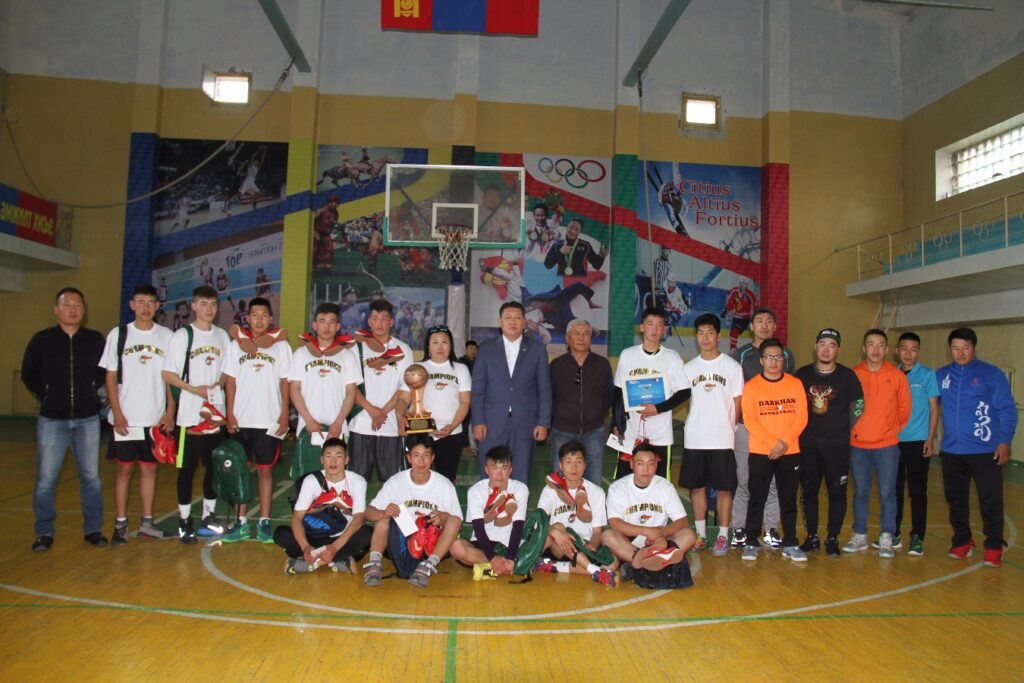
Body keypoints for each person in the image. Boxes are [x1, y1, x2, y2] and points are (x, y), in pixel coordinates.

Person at [22, 287, 108, 551]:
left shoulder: (95, 339)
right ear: (56, 309)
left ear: (84, 309)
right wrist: (48, 394)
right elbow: (28, 373)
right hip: (52, 421)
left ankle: (93, 529)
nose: (73, 309)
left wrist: (91, 393)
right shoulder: (42, 340)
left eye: (78, 305)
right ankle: (44, 532)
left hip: (88, 419)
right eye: (67, 304)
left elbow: (104, 372)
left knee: (91, 478)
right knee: (46, 479)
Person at [99, 284, 176, 545]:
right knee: (123, 470)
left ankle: (147, 523)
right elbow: (110, 377)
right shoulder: (119, 334)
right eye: (140, 302)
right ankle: (120, 524)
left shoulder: (167, 336)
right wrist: (117, 413)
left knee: (150, 469)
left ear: (157, 306)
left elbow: (170, 378)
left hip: (154, 419)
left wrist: (170, 411)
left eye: (150, 302)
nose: (146, 307)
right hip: (126, 418)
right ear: (132, 305)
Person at [936, 327, 1017, 568]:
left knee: (990, 501)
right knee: (956, 500)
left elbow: (1007, 409)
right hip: (951, 452)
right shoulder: (942, 375)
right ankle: (962, 541)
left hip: (985, 451)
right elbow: (926, 405)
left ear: (974, 348)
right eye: (955, 348)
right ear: (950, 349)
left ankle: (993, 546)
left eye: (965, 348)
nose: (960, 353)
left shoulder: (991, 374)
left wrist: (1004, 441)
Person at [161, 285, 232, 543]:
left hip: (216, 415)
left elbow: (227, 371)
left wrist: (219, 385)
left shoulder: (222, 336)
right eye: (203, 304)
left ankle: (208, 517)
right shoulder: (183, 335)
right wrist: (195, 390)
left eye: (213, 304)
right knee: (187, 470)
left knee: (213, 468)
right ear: (193, 306)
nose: (209, 309)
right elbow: (168, 374)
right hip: (190, 416)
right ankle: (184, 521)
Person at [222, 297, 292, 542]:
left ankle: (264, 521)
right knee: (240, 473)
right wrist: (230, 413)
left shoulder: (281, 346)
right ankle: (240, 522)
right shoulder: (236, 346)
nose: (259, 320)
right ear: (248, 318)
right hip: (241, 420)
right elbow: (230, 381)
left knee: (265, 472)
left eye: (264, 315)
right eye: (255, 315)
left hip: (269, 420)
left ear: (270, 318)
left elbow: (285, 382)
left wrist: (284, 413)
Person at [794, 328, 864, 557]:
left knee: (837, 493)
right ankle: (812, 537)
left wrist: (844, 427)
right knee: (809, 492)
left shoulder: (847, 376)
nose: (826, 349)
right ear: (816, 347)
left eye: (831, 345)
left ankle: (832, 538)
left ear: (838, 350)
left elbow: (858, 404)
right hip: (808, 446)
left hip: (837, 447)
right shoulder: (802, 375)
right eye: (822, 344)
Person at [677, 314, 743, 556]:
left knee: (724, 490)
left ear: (718, 335)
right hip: (695, 438)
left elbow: (738, 402)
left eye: (710, 333)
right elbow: (686, 401)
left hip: (722, 439)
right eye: (701, 333)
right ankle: (701, 535)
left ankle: (723, 536)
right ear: (696, 336)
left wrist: (728, 429)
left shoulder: (732, 367)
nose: (705, 338)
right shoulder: (688, 368)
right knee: (697, 489)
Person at [739, 338, 809, 562]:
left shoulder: (795, 384)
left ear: (783, 360)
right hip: (761, 452)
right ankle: (751, 541)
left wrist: (784, 443)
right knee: (756, 497)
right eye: (769, 357)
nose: (774, 361)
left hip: (790, 451)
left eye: (778, 357)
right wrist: (773, 444)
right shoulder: (752, 387)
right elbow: (750, 420)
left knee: (788, 499)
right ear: (761, 361)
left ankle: (790, 542)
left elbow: (802, 417)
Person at [730, 307, 794, 550]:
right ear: (752, 326)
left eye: (769, 321)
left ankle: (771, 528)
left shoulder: (786, 354)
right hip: (747, 428)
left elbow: (791, 389)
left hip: (777, 430)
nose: (764, 325)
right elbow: (734, 392)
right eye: (759, 321)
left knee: (773, 483)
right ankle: (740, 528)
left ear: (775, 326)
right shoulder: (740, 354)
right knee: (745, 481)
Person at [844, 329, 911, 558]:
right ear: (864, 348)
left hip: (887, 446)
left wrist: (890, 431)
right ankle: (860, 534)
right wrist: (854, 431)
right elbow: (846, 407)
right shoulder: (853, 374)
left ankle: (886, 537)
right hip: (858, 446)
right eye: (871, 344)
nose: (875, 349)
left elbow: (904, 409)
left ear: (887, 349)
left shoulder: (897, 376)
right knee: (860, 492)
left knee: (887, 493)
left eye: (880, 345)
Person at [362, 437, 463, 588]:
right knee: (383, 521)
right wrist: (383, 513)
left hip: (432, 543)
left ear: (432, 458)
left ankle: (429, 565)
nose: (421, 461)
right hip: (402, 541)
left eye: (426, 455)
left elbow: (458, 525)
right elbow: (368, 512)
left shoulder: (444, 484)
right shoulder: (396, 481)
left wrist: (443, 517)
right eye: (416, 455)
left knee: (454, 520)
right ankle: (374, 564)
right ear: (409, 458)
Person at [471, 301, 552, 484]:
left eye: (517, 318)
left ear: (524, 322)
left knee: (520, 476)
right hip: (491, 423)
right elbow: (478, 389)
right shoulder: (486, 349)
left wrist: (543, 422)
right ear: (500, 322)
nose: (513, 322)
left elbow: (544, 389)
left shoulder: (537, 350)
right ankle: (490, 504)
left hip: (525, 423)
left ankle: (517, 505)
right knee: (490, 476)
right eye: (508, 317)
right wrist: (478, 421)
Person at [611, 307, 690, 479]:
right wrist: (615, 423)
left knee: (659, 484)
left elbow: (685, 392)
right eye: (650, 324)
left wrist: (657, 408)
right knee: (623, 482)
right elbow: (618, 392)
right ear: (642, 327)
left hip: (660, 435)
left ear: (664, 330)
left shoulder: (672, 358)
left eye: (659, 325)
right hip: (630, 434)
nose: (655, 329)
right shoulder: (628, 355)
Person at [602, 445, 695, 587]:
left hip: (660, 541)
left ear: (656, 465)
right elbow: (615, 524)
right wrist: (647, 531)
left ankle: (637, 565)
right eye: (640, 464)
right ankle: (655, 563)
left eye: (650, 464)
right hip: (629, 542)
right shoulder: (618, 488)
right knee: (607, 536)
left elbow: (682, 521)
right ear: (632, 464)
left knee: (689, 535)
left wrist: (661, 533)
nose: (646, 469)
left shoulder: (664, 486)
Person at [275, 438, 371, 574]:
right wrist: (306, 547)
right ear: (322, 460)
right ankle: (340, 560)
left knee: (367, 534)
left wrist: (334, 547)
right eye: (328, 456)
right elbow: (297, 518)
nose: (333, 461)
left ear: (346, 460)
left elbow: (358, 519)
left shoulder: (357, 482)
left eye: (338, 456)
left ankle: (311, 563)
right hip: (313, 536)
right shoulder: (311, 481)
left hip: (341, 537)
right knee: (281, 534)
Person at [348, 299, 413, 482]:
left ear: (391, 322)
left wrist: (382, 412)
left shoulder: (403, 350)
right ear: (369, 321)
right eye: (375, 318)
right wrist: (371, 410)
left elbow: (404, 387)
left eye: (384, 319)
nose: (379, 323)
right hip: (360, 424)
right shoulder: (356, 348)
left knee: (392, 482)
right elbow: (351, 386)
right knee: (356, 482)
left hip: (390, 426)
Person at [396, 325, 471, 482]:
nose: (440, 346)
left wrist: (451, 426)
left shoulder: (460, 369)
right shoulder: (417, 368)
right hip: (419, 432)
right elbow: (403, 399)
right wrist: (400, 416)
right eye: (435, 342)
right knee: (416, 479)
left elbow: (465, 402)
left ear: (450, 345)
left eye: (444, 342)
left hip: (451, 434)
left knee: (447, 481)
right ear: (428, 346)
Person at [536, 442, 616, 584]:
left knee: (613, 563)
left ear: (585, 465)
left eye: (578, 462)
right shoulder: (550, 490)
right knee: (559, 527)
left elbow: (597, 531)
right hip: (558, 545)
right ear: (561, 466)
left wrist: (593, 544)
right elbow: (539, 521)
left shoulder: (596, 492)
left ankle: (555, 566)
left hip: (583, 545)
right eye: (568, 462)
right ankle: (593, 570)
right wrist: (555, 532)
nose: (574, 467)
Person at [548, 319, 613, 485]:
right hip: (562, 431)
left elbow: (609, 395)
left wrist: (596, 413)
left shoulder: (602, 364)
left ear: (591, 338)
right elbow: (549, 396)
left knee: (594, 482)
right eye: (576, 334)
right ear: (567, 338)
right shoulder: (556, 365)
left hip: (594, 432)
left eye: (586, 334)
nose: (581, 338)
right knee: (560, 482)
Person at [893, 331, 940, 556]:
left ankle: (917, 536)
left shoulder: (928, 375)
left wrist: (930, 438)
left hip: (918, 440)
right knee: (894, 490)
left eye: (913, 349)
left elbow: (934, 408)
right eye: (904, 348)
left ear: (918, 352)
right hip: (894, 441)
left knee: (917, 490)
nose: (908, 354)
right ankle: (893, 533)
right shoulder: (892, 374)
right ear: (897, 351)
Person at [450, 446, 530, 577]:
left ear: (510, 470)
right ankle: (505, 566)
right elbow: (479, 529)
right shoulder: (475, 491)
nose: (499, 474)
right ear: (486, 470)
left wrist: (510, 557)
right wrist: (493, 557)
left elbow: (518, 527)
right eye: (494, 468)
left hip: (507, 545)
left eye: (504, 468)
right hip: (482, 545)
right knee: (455, 546)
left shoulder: (520, 489)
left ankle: (494, 566)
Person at [290, 303, 361, 441]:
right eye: (322, 321)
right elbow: (294, 389)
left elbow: (351, 392)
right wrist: (308, 420)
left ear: (338, 326)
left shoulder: (347, 355)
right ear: (315, 325)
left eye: (331, 322)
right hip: (307, 427)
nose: (326, 327)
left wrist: (339, 422)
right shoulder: (301, 353)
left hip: (337, 428)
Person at [544, 217, 607, 286]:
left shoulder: (585, 245)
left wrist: (602, 255)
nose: (573, 231)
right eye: (571, 227)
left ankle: (595, 274)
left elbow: (597, 265)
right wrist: (560, 252)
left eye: (577, 229)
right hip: (566, 282)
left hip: (583, 279)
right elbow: (547, 265)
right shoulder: (557, 245)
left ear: (580, 232)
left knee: (594, 277)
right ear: (567, 227)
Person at [722, 281, 757, 350]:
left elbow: (754, 306)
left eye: (746, 284)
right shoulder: (734, 291)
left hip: (746, 318)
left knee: (754, 332)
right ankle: (733, 348)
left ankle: (756, 347)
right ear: (740, 283)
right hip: (737, 317)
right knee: (734, 331)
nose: (745, 285)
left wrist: (753, 317)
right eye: (743, 283)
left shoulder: (750, 294)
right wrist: (726, 310)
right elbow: (730, 302)